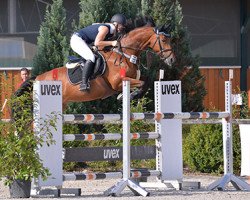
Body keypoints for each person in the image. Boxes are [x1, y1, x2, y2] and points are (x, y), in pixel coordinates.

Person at [70, 13, 127, 91]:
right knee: (91, 57)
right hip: (77, 40)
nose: (122, 27)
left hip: (85, 42)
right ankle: (84, 84)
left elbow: (99, 45)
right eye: (121, 25)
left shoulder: (110, 30)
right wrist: (112, 43)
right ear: (116, 24)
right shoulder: (105, 29)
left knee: (97, 56)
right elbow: (97, 43)